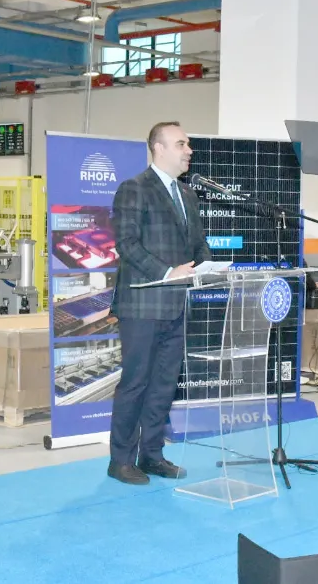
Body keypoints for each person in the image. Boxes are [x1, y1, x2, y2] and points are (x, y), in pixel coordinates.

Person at [107, 121, 212, 485]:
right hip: (142, 305)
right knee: (135, 384)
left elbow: (198, 243)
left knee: (164, 385)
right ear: (158, 148)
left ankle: (151, 455)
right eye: (182, 144)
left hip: (177, 305)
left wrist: (205, 266)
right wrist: (168, 272)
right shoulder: (134, 188)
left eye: (188, 144)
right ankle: (121, 460)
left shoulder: (187, 194)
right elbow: (127, 244)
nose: (189, 151)